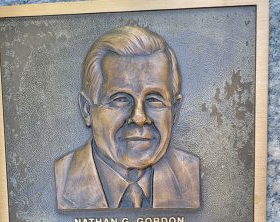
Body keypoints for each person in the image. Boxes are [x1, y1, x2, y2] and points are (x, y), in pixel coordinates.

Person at [55, 26, 200, 210]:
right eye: (120, 99)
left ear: (175, 111)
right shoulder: (55, 180)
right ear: (87, 110)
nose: (139, 117)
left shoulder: (196, 176)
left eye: (154, 99)